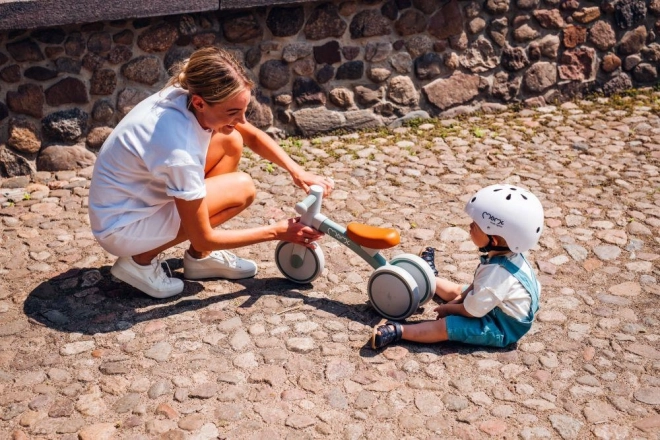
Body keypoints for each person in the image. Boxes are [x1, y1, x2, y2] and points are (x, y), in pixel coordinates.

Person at [88, 47, 332, 299]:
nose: (240, 119)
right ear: (200, 103)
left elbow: (250, 136)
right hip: (122, 228)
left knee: (231, 141)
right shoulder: (180, 150)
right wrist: (277, 232)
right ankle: (138, 262)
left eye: (243, 110)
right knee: (242, 189)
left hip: (136, 198)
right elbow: (203, 236)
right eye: (232, 112)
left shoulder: (188, 91)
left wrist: (297, 171)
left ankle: (199, 260)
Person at [371, 184, 544, 349]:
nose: (470, 226)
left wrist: (448, 309)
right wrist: (458, 299)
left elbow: (471, 311)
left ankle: (399, 331)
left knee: (445, 327)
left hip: (499, 326)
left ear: (495, 240)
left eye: (475, 226)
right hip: (494, 304)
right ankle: (429, 276)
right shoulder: (509, 257)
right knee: (456, 290)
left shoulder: (497, 274)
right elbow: (474, 290)